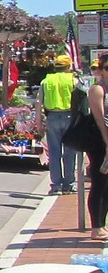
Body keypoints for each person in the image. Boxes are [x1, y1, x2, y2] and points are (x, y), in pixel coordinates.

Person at [41, 53, 81, 195]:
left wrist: (39, 122)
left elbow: (39, 101)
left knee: (54, 152)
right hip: (70, 117)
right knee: (70, 152)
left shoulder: (46, 81)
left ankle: (56, 186)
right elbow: (81, 101)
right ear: (68, 66)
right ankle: (69, 184)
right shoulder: (74, 80)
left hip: (52, 117)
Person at [86, 57, 108, 242]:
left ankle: (102, 224)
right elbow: (99, 119)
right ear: (101, 70)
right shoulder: (98, 89)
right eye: (107, 68)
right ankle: (96, 227)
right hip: (100, 141)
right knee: (100, 182)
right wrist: (107, 141)